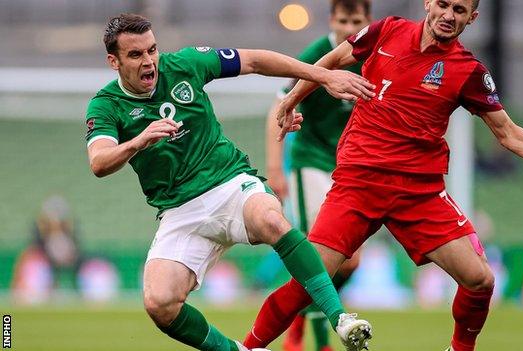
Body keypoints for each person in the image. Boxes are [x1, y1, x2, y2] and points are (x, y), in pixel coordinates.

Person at [244, 1, 523, 351]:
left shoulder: (468, 71)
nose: (448, 15)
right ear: (428, 3)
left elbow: (506, 131)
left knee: (479, 279)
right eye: (443, 4)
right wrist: (291, 99)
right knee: (311, 278)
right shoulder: (387, 31)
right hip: (359, 183)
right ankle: (248, 347)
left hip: (418, 193)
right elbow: (333, 62)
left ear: (471, 18)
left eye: (459, 10)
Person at [85, 13, 376, 351]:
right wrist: (139, 141)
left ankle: (341, 318)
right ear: (113, 61)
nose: (150, 61)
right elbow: (99, 162)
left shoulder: (186, 64)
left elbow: (253, 60)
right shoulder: (106, 105)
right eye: (136, 55)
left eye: (152, 50)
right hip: (179, 211)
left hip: (230, 185)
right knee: (159, 302)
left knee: (271, 219)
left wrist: (322, 75)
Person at [264, 1, 372, 351]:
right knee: (321, 256)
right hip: (310, 163)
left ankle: (299, 316)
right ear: (332, 20)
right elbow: (278, 108)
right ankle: (321, 340)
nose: (348, 27)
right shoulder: (317, 55)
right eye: (343, 20)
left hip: (349, 170)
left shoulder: (373, 55)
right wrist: (275, 168)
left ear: (367, 21)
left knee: (351, 262)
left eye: (355, 21)